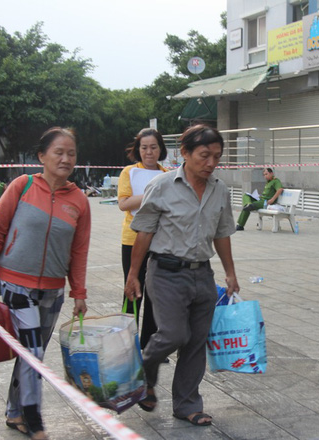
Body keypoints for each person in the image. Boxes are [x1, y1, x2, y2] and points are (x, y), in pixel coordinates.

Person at [0, 127, 91, 440]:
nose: (66, 159)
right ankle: (33, 420)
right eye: (59, 152)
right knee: (33, 351)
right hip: (16, 285)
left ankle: (15, 413)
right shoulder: (22, 185)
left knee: (31, 353)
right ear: (42, 156)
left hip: (52, 291)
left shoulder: (79, 201)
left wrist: (78, 293)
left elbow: (78, 251)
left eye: (71, 153)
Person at [124, 124, 239, 427]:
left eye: (217, 156)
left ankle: (187, 404)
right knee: (175, 334)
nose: (211, 163)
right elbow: (144, 232)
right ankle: (143, 371)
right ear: (185, 153)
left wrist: (230, 273)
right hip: (165, 273)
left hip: (202, 274)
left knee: (195, 342)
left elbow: (223, 234)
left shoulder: (220, 189)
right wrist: (133, 275)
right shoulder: (162, 186)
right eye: (204, 155)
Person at [117, 128, 167, 349]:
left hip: (159, 241)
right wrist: (152, 193)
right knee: (132, 290)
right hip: (132, 241)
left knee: (155, 293)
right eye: (144, 147)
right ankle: (128, 343)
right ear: (138, 150)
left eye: (153, 147)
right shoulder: (130, 172)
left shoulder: (167, 173)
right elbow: (124, 203)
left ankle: (149, 344)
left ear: (160, 149)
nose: (149, 152)